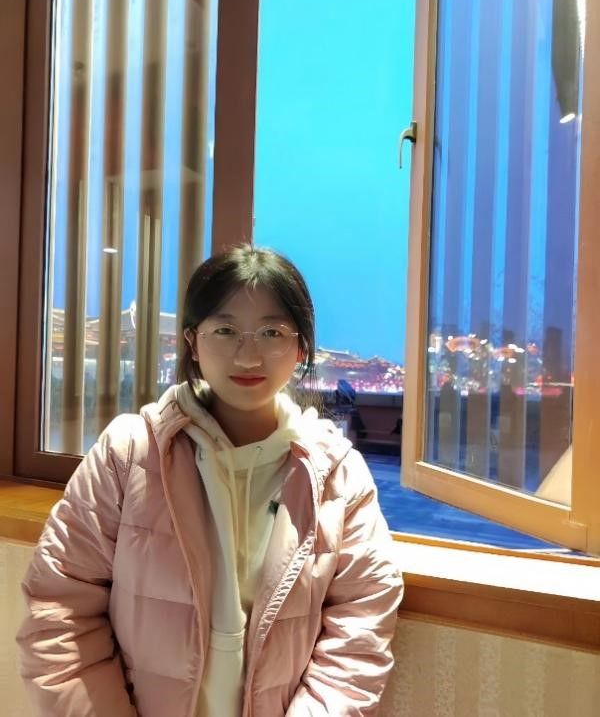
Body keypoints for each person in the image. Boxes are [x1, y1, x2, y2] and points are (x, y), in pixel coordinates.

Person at [17, 244, 403, 716]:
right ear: (193, 343)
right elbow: (59, 613)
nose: (248, 355)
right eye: (225, 330)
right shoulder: (129, 455)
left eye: (272, 332)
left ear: (300, 348)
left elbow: (360, 630)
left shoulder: (337, 475)